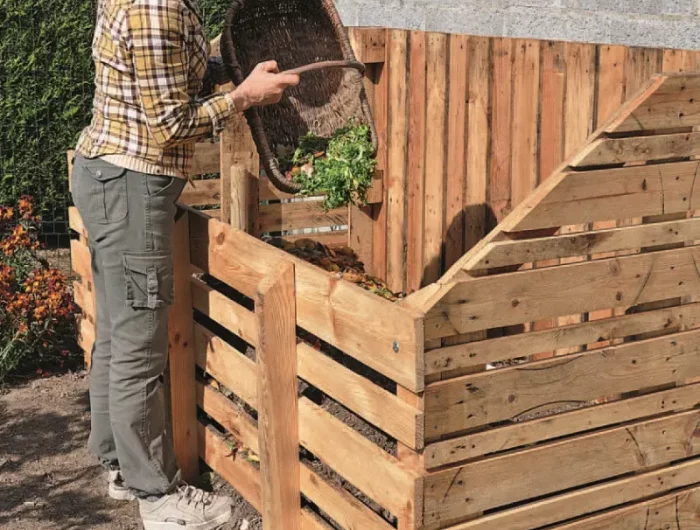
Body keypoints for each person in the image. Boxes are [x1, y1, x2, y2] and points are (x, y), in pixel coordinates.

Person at [71, 1, 299, 529]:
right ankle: (160, 499)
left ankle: (120, 465)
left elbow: (167, 73)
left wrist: (227, 64)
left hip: (111, 179)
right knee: (138, 349)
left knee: (117, 334)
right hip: (131, 187)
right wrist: (242, 99)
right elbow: (171, 124)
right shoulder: (158, 7)